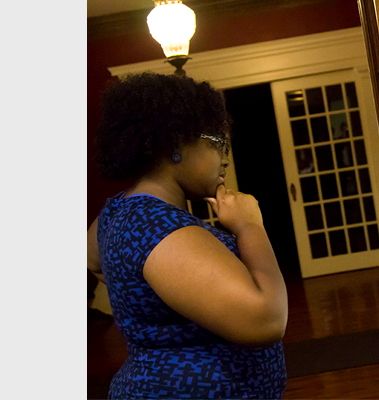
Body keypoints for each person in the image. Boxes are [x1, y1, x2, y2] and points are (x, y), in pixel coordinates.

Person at [87, 72, 288, 399]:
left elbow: (93, 258)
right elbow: (267, 319)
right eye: (216, 141)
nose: (225, 156)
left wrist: (159, 299)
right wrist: (250, 224)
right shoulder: (158, 226)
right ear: (176, 143)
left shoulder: (122, 211)